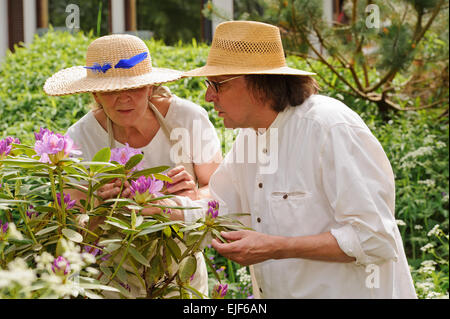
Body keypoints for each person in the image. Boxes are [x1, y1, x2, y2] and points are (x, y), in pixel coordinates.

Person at [155, 21, 417, 298]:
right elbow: (222, 210)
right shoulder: (250, 137)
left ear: (260, 83)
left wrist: (277, 246)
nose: (209, 96)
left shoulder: (329, 128)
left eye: (217, 85)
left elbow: (375, 239)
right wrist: (161, 208)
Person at [43, 34, 223, 298]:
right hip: (115, 276)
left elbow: (220, 193)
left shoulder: (188, 118)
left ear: (150, 87)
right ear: (95, 93)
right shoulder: (80, 137)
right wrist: (102, 207)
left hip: (181, 272)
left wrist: (190, 196)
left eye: (133, 87)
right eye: (111, 91)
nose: (123, 99)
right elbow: (73, 228)